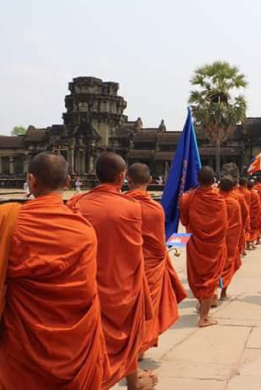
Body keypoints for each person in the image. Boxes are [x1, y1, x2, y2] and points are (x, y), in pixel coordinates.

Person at [0, 152, 109, 390]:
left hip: (22, 346)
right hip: (74, 349)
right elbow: (87, 293)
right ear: (68, 182)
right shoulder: (84, 230)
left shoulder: (6, 221)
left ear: (31, 180)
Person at [67, 152, 155, 390]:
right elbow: (136, 249)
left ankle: (96, 380)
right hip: (121, 282)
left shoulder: (75, 204)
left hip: (87, 285)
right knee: (127, 336)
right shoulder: (132, 207)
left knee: (92, 339)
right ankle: (131, 383)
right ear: (121, 176)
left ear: (95, 175)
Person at [126, 163, 187, 354]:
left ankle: (133, 348)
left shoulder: (121, 205)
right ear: (150, 181)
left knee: (129, 309)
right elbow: (159, 244)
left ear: (128, 179)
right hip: (150, 265)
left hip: (125, 266)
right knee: (147, 306)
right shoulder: (155, 209)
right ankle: (141, 348)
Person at [180, 167, 227, 328]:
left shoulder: (188, 198)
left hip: (195, 244)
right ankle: (204, 318)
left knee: (198, 276)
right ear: (214, 180)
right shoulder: (220, 200)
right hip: (214, 246)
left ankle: (203, 305)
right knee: (209, 278)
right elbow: (223, 225)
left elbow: (184, 221)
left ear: (197, 180)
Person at [218, 177, 243, 301]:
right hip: (230, 240)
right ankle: (223, 292)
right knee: (228, 264)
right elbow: (239, 222)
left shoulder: (214, 201)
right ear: (233, 187)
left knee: (215, 265)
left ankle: (211, 293)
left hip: (215, 239)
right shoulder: (234, 203)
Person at [245, 180, 261, 250]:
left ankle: (248, 244)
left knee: (247, 229)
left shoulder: (244, 194)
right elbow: (258, 206)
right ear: (253, 186)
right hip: (254, 215)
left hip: (247, 214)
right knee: (253, 229)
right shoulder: (255, 195)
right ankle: (251, 242)